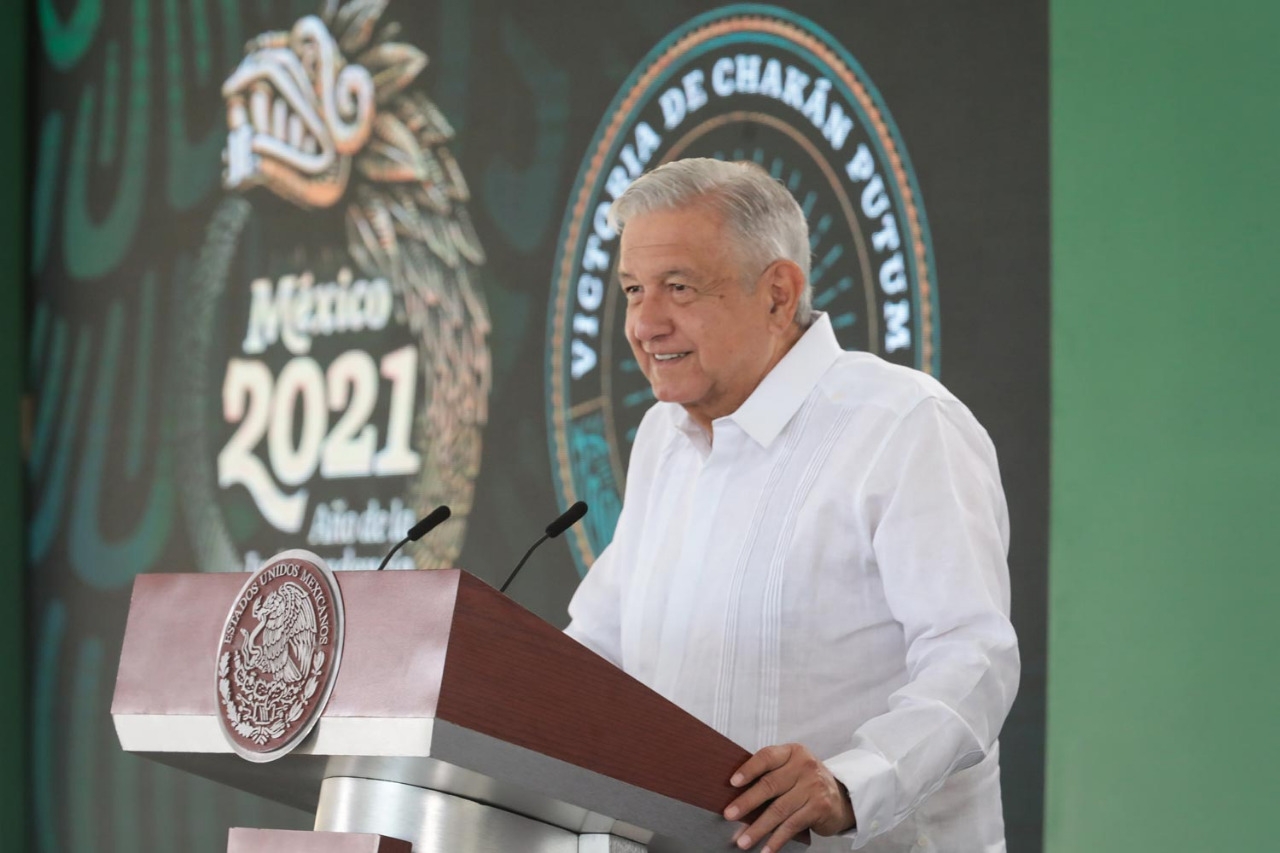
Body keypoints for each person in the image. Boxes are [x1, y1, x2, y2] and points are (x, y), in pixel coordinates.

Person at [564, 158, 1019, 853]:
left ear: (778, 293)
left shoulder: (903, 424)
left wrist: (850, 782)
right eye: (632, 290)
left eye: (678, 287)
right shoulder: (664, 438)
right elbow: (595, 651)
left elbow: (974, 658)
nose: (644, 324)